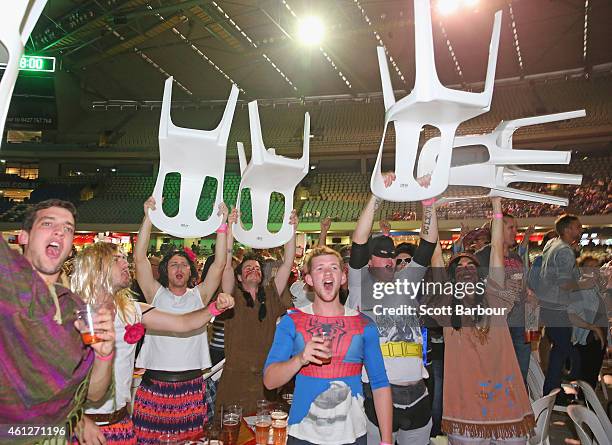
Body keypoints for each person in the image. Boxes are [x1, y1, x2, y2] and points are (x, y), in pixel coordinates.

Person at [71, 242, 235, 445]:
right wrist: (75, 417)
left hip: (121, 423)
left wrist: (214, 309)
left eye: (124, 257)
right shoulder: (72, 314)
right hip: (85, 428)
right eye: (117, 259)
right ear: (95, 267)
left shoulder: (131, 310)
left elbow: (182, 323)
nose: (125, 262)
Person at [0, 199, 115, 443]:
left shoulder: (75, 309)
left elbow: (93, 394)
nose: (59, 232)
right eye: (48, 223)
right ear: (23, 237)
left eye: (68, 229)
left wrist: (104, 354)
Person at [429, 197, 534, 444]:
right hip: (465, 407)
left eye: (471, 265)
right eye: (459, 266)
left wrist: (496, 204)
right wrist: (429, 207)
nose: (465, 268)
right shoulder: (446, 307)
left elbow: (497, 249)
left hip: (505, 403)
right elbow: (434, 250)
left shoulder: (495, 297)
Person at [264, 246, 393, 445]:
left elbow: (380, 384)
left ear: (342, 277)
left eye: (333, 268)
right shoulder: (292, 321)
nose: (326, 273)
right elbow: (270, 381)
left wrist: (386, 440)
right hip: (303, 435)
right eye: (319, 268)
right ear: (308, 280)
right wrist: (300, 359)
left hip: (353, 436)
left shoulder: (364, 324)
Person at [347, 173, 438, 445]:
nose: (387, 260)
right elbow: (359, 242)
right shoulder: (360, 284)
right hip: (377, 392)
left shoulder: (406, 280)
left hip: (419, 394)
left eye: (391, 255)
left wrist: (429, 201)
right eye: (380, 255)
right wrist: (376, 195)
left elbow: (428, 244)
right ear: (369, 261)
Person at [132, 197, 229, 443]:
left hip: (191, 386)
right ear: (165, 270)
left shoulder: (201, 295)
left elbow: (219, 264)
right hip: (154, 385)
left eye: (184, 265)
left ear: (191, 270)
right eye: (173, 264)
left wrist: (222, 225)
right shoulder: (154, 294)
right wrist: (148, 217)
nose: (178, 268)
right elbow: (140, 259)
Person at [215, 208, 297, 415]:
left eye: (258, 268)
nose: (254, 269)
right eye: (248, 268)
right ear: (240, 278)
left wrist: (291, 229)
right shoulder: (231, 295)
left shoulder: (270, 294)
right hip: (234, 378)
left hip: (265, 377)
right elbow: (225, 264)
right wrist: (230, 227)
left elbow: (287, 263)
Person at [538, 214, 597, 396]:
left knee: (559, 351)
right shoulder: (565, 250)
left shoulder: (552, 244)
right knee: (570, 353)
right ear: (567, 229)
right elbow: (563, 284)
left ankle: (553, 391)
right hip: (558, 307)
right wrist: (583, 284)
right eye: (577, 227)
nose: (580, 230)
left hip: (548, 306)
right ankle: (555, 389)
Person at [474, 212, 531, 383]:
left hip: (520, 325)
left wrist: (529, 293)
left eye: (516, 228)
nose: (515, 232)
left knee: (520, 377)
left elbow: (522, 286)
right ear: (498, 230)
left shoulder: (516, 257)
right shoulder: (482, 257)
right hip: (498, 326)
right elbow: (477, 291)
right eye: (511, 227)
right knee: (498, 376)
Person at [567, 255, 607, 389]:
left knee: (591, 378)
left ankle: (586, 405)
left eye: (597, 267)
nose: (595, 270)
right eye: (590, 267)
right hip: (586, 341)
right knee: (586, 380)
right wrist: (593, 328)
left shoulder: (595, 289)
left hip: (596, 339)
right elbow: (570, 314)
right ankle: (583, 406)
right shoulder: (580, 289)